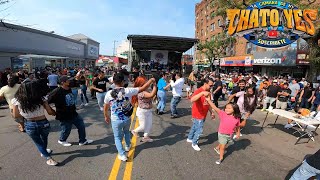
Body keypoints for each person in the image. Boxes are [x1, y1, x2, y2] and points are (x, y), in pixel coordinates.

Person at [104, 73, 155, 161]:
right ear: (123, 82)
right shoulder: (128, 91)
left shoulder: (109, 93)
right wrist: (151, 80)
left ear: (113, 82)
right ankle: (128, 146)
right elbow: (142, 88)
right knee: (126, 132)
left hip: (115, 119)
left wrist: (106, 116)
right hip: (127, 118)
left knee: (117, 137)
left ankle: (122, 154)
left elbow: (106, 107)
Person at [11, 81, 58, 166]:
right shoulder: (42, 98)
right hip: (44, 122)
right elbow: (49, 111)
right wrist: (54, 112)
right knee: (44, 139)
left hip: (29, 123)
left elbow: (16, 115)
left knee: (38, 142)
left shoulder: (17, 100)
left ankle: (47, 156)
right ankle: (46, 155)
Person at [48, 76, 93, 147]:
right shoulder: (57, 91)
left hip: (73, 113)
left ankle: (82, 141)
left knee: (81, 125)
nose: (69, 81)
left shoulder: (68, 89)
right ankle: (62, 140)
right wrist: (51, 110)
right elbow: (46, 101)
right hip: (64, 115)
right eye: (67, 80)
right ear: (63, 82)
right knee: (66, 129)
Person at [206, 100, 241, 165]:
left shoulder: (237, 117)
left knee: (225, 143)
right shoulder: (223, 114)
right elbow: (215, 107)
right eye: (226, 108)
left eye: (229, 108)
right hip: (222, 134)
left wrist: (238, 133)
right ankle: (221, 158)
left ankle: (217, 147)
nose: (226, 109)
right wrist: (209, 101)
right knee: (223, 146)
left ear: (234, 109)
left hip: (230, 134)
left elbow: (237, 126)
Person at [187, 77, 215, 151]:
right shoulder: (199, 91)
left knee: (195, 126)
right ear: (205, 84)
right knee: (199, 130)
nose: (211, 87)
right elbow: (192, 99)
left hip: (203, 113)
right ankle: (194, 143)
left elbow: (207, 103)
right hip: (198, 113)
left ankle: (190, 138)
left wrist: (211, 112)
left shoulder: (208, 91)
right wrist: (202, 93)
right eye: (210, 85)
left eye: (212, 85)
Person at [131, 76, 157, 142]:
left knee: (149, 125)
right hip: (142, 111)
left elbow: (151, 97)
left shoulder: (145, 90)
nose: (147, 84)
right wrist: (154, 85)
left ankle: (146, 137)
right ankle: (134, 131)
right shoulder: (141, 92)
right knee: (143, 126)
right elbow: (151, 95)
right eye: (145, 82)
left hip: (149, 110)